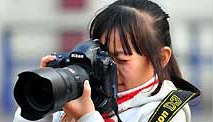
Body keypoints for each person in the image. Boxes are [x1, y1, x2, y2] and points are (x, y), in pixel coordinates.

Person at [13, 0, 200, 122]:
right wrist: (41, 102)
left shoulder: (167, 111)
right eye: (102, 56)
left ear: (160, 58)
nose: (109, 66)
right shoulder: (84, 94)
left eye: (121, 59)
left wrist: (87, 117)